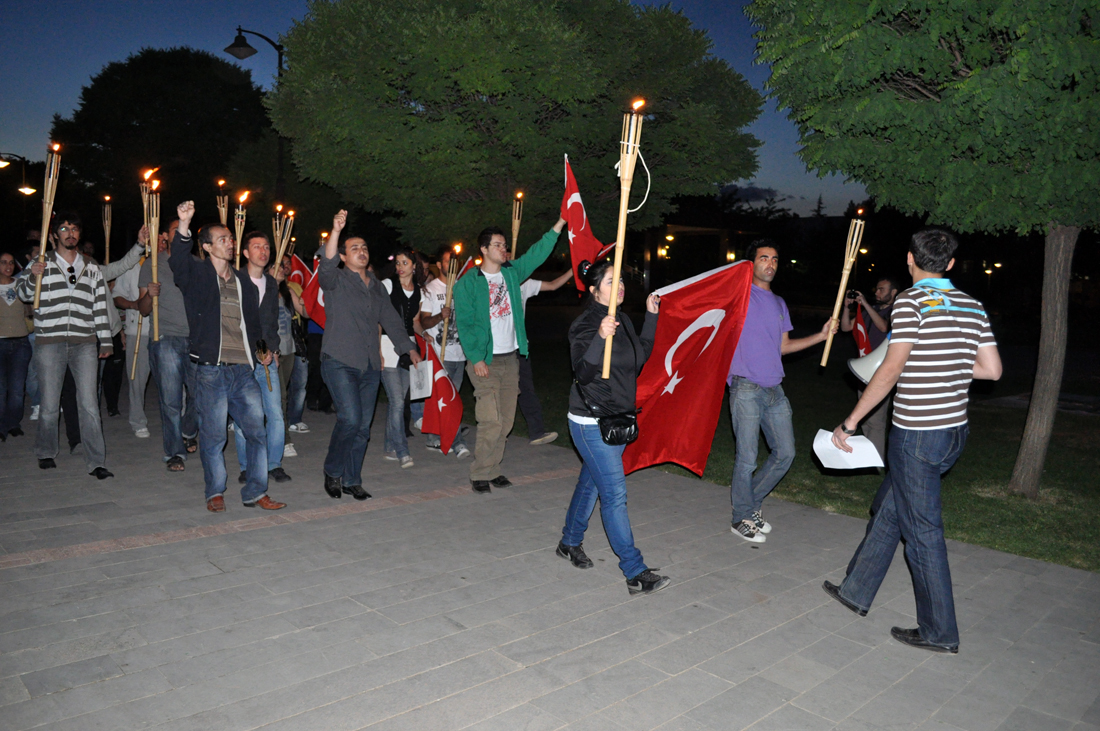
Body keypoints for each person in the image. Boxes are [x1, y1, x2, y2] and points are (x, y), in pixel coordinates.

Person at [825, 229, 1001, 654]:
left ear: (910, 259)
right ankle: (856, 590)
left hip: (918, 434)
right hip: (953, 432)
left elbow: (890, 369)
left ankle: (939, 631)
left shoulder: (911, 301)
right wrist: (948, 363)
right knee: (890, 510)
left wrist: (850, 423)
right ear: (951, 263)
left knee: (923, 533)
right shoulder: (972, 305)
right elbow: (992, 370)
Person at [558, 259, 670, 595]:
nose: (619, 285)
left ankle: (569, 541)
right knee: (614, 494)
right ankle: (634, 571)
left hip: (618, 420)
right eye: (610, 281)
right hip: (590, 421)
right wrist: (600, 337)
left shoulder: (622, 319)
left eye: (620, 279)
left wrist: (651, 316)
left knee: (591, 483)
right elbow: (582, 373)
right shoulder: (584, 325)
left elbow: (640, 358)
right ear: (594, 291)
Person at [168, 201, 286, 512]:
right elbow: (177, 260)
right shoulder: (197, 274)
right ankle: (215, 491)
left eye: (231, 239)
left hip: (243, 370)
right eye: (223, 239)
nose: (230, 243)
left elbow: (255, 323)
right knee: (214, 436)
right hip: (210, 370)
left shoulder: (243, 281)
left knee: (256, 432)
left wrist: (262, 350)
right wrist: (184, 223)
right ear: (206, 247)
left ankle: (256, 492)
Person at [726, 240, 837, 543]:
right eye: (764, 258)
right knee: (747, 459)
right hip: (746, 387)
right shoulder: (739, 295)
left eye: (775, 259)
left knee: (785, 453)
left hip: (775, 388)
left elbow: (784, 347)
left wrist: (821, 336)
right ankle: (740, 518)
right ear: (751, 264)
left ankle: (749, 505)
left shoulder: (779, 303)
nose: (770, 264)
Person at [452, 218, 566, 493]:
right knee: (490, 420)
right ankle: (480, 472)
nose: (503, 249)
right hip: (485, 362)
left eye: (504, 245)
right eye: (498, 245)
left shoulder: (512, 273)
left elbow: (537, 254)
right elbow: (465, 325)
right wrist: (476, 358)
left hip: (511, 359)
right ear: (484, 249)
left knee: (505, 422)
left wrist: (560, 223)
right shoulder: (467, 284)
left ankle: (493, 469)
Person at [319, 210, 421, 500]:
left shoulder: (376, 286)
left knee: (363, 427)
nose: (362, 252)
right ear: (343, 256)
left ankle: (352, 480)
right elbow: (326, 262)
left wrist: (409, 348)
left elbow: (390, 319)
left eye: (364, 248)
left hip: (370, 365)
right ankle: (333, 470)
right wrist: (336, 231)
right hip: (339, 360)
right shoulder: (335, 279)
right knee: (350, 419)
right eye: (354, 248)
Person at [18, 214, 116, 478]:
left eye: (74, 229)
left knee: (89, 404)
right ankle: (46, 451)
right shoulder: (42, 261)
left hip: (84, 342)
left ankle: (96, 461)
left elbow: (99, 305)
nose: (70, 233)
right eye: (64, 228)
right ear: (54, 235)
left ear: (79, 234)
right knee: (50, 403)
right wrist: (33, 276)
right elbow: (24, 294)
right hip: (50, 341)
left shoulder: (91, 265)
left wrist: (106, 339)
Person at [139, 220, 199, 471]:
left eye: (186, 230)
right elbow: (143, 309)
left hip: (196, 339)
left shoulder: (198, 265)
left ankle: (188, 429)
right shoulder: (152, 265)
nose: (182, 233)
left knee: (200, 395)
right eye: (176, 230)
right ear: (165, 235)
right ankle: (175, 452)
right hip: (165, 338)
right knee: (171, 400)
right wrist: (149, 295)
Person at [232, 231, 290, 485]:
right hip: (242, 359)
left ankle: (274, 463)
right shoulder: (235, 280)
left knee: (274, 412)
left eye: (266, 247)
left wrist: (274, 351)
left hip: (267, 358)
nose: (263, 251)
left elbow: (271, 323)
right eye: (257, 247)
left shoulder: (272, 283)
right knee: (245, 415)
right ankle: (247, 466)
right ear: (245, 252)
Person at [840, 276, 901, 460]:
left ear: (893, 292)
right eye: (877, 288)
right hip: (865, 368)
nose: (877, 292)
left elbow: (883, 327)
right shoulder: (871, 310)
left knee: (876, 420)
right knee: (866, 418)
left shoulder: (897, 311)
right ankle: (869, 458)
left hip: (882, 370)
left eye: (882, 289)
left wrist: (865, 304)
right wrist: (846, 307)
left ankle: (875, 460)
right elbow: (846, 327)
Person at [417, 256, 471, 459]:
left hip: (459, 353)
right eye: (448, 261)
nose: (452, 265)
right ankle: (457, 443)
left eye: (455, 262)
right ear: (439, 265)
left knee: (447, 400)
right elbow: (424, 322)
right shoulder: (430, 289)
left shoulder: (461, 287)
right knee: (449, 400)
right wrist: (441, 315)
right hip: (440, 354)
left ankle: (434, 437)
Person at [515, 268, 574, 446]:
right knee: (500, 391)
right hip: (497, 349)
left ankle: (537, 432)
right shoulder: (492, 283)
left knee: (526, 389)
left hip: (519, 346)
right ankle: (496, 433)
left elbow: (553, 285)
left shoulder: (522, 283)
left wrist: (572, 270)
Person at [379, 247, 425, 468]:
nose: (400, 267)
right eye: (397, 263)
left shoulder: (419, 291)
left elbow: (414, 322)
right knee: (396, 401)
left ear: (414, 266)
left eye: (405, 263)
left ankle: (389, 446)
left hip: (409, 350)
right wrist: (377, 350)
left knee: (399, 401)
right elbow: (378, 319)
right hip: (387, 346)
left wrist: (425, 335)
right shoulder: (387, 285)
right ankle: (402, 450)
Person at [274, 255, 309, 454]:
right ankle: (284, 440)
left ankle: (274, 431)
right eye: (276, 266)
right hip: (271, 351)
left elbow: (305, 313)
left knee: (281, 394)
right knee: (280, 396)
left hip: (288, 350)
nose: (281, 269)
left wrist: (308, 300)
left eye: (282, 266)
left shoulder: (288, 291)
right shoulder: (261, 290)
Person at [0, 252, 32, 440]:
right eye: (3, 262)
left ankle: (13, 423)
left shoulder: (21, 284)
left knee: (17, 389)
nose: (8, 266)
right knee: (1, 388)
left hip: (20, 342)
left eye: (11, 262)